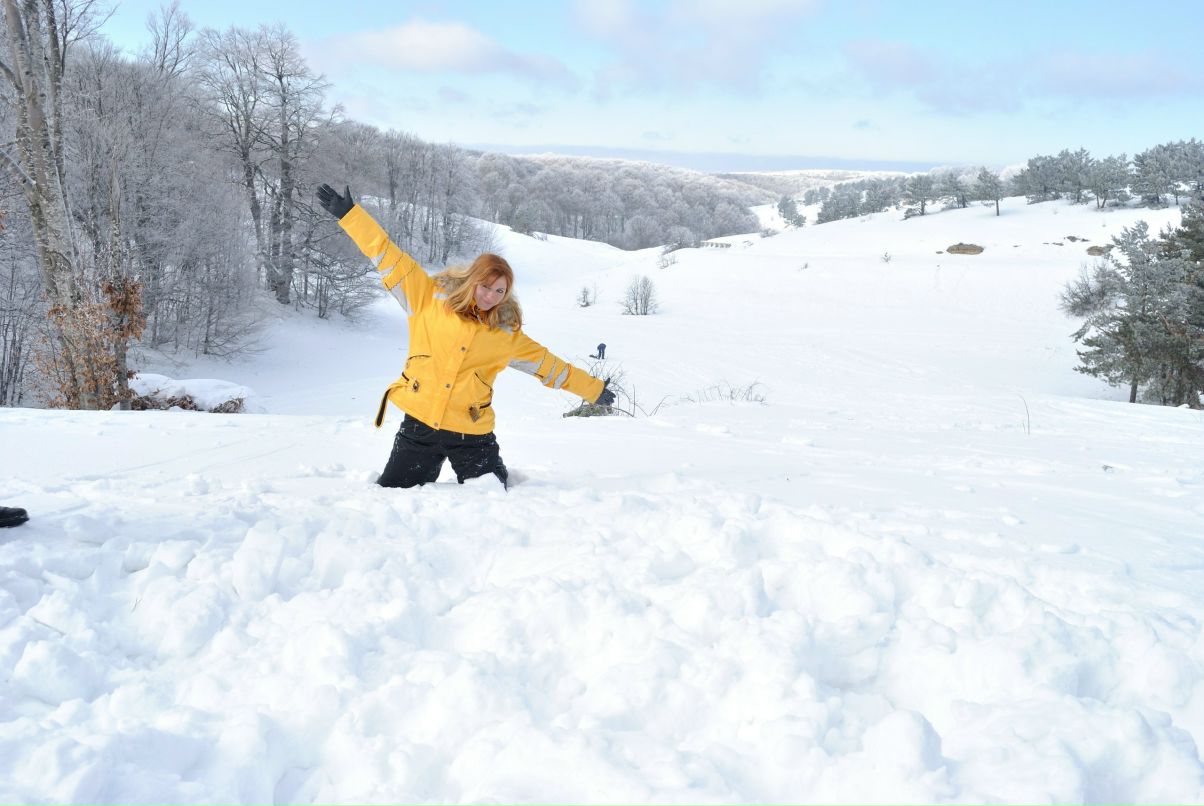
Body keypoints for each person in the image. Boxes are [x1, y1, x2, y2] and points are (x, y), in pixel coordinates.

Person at [316, 184, 615, 489]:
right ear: (473, 280)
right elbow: (387, 255)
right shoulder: (427, 297)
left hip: (471, 432)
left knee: (494, 496)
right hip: (420, 425)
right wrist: (351, 216)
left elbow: (549, 366)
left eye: (500, 291)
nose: (491, 296)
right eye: (486, 286)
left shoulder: (505, 333)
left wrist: (592, 389)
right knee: (392, 496)